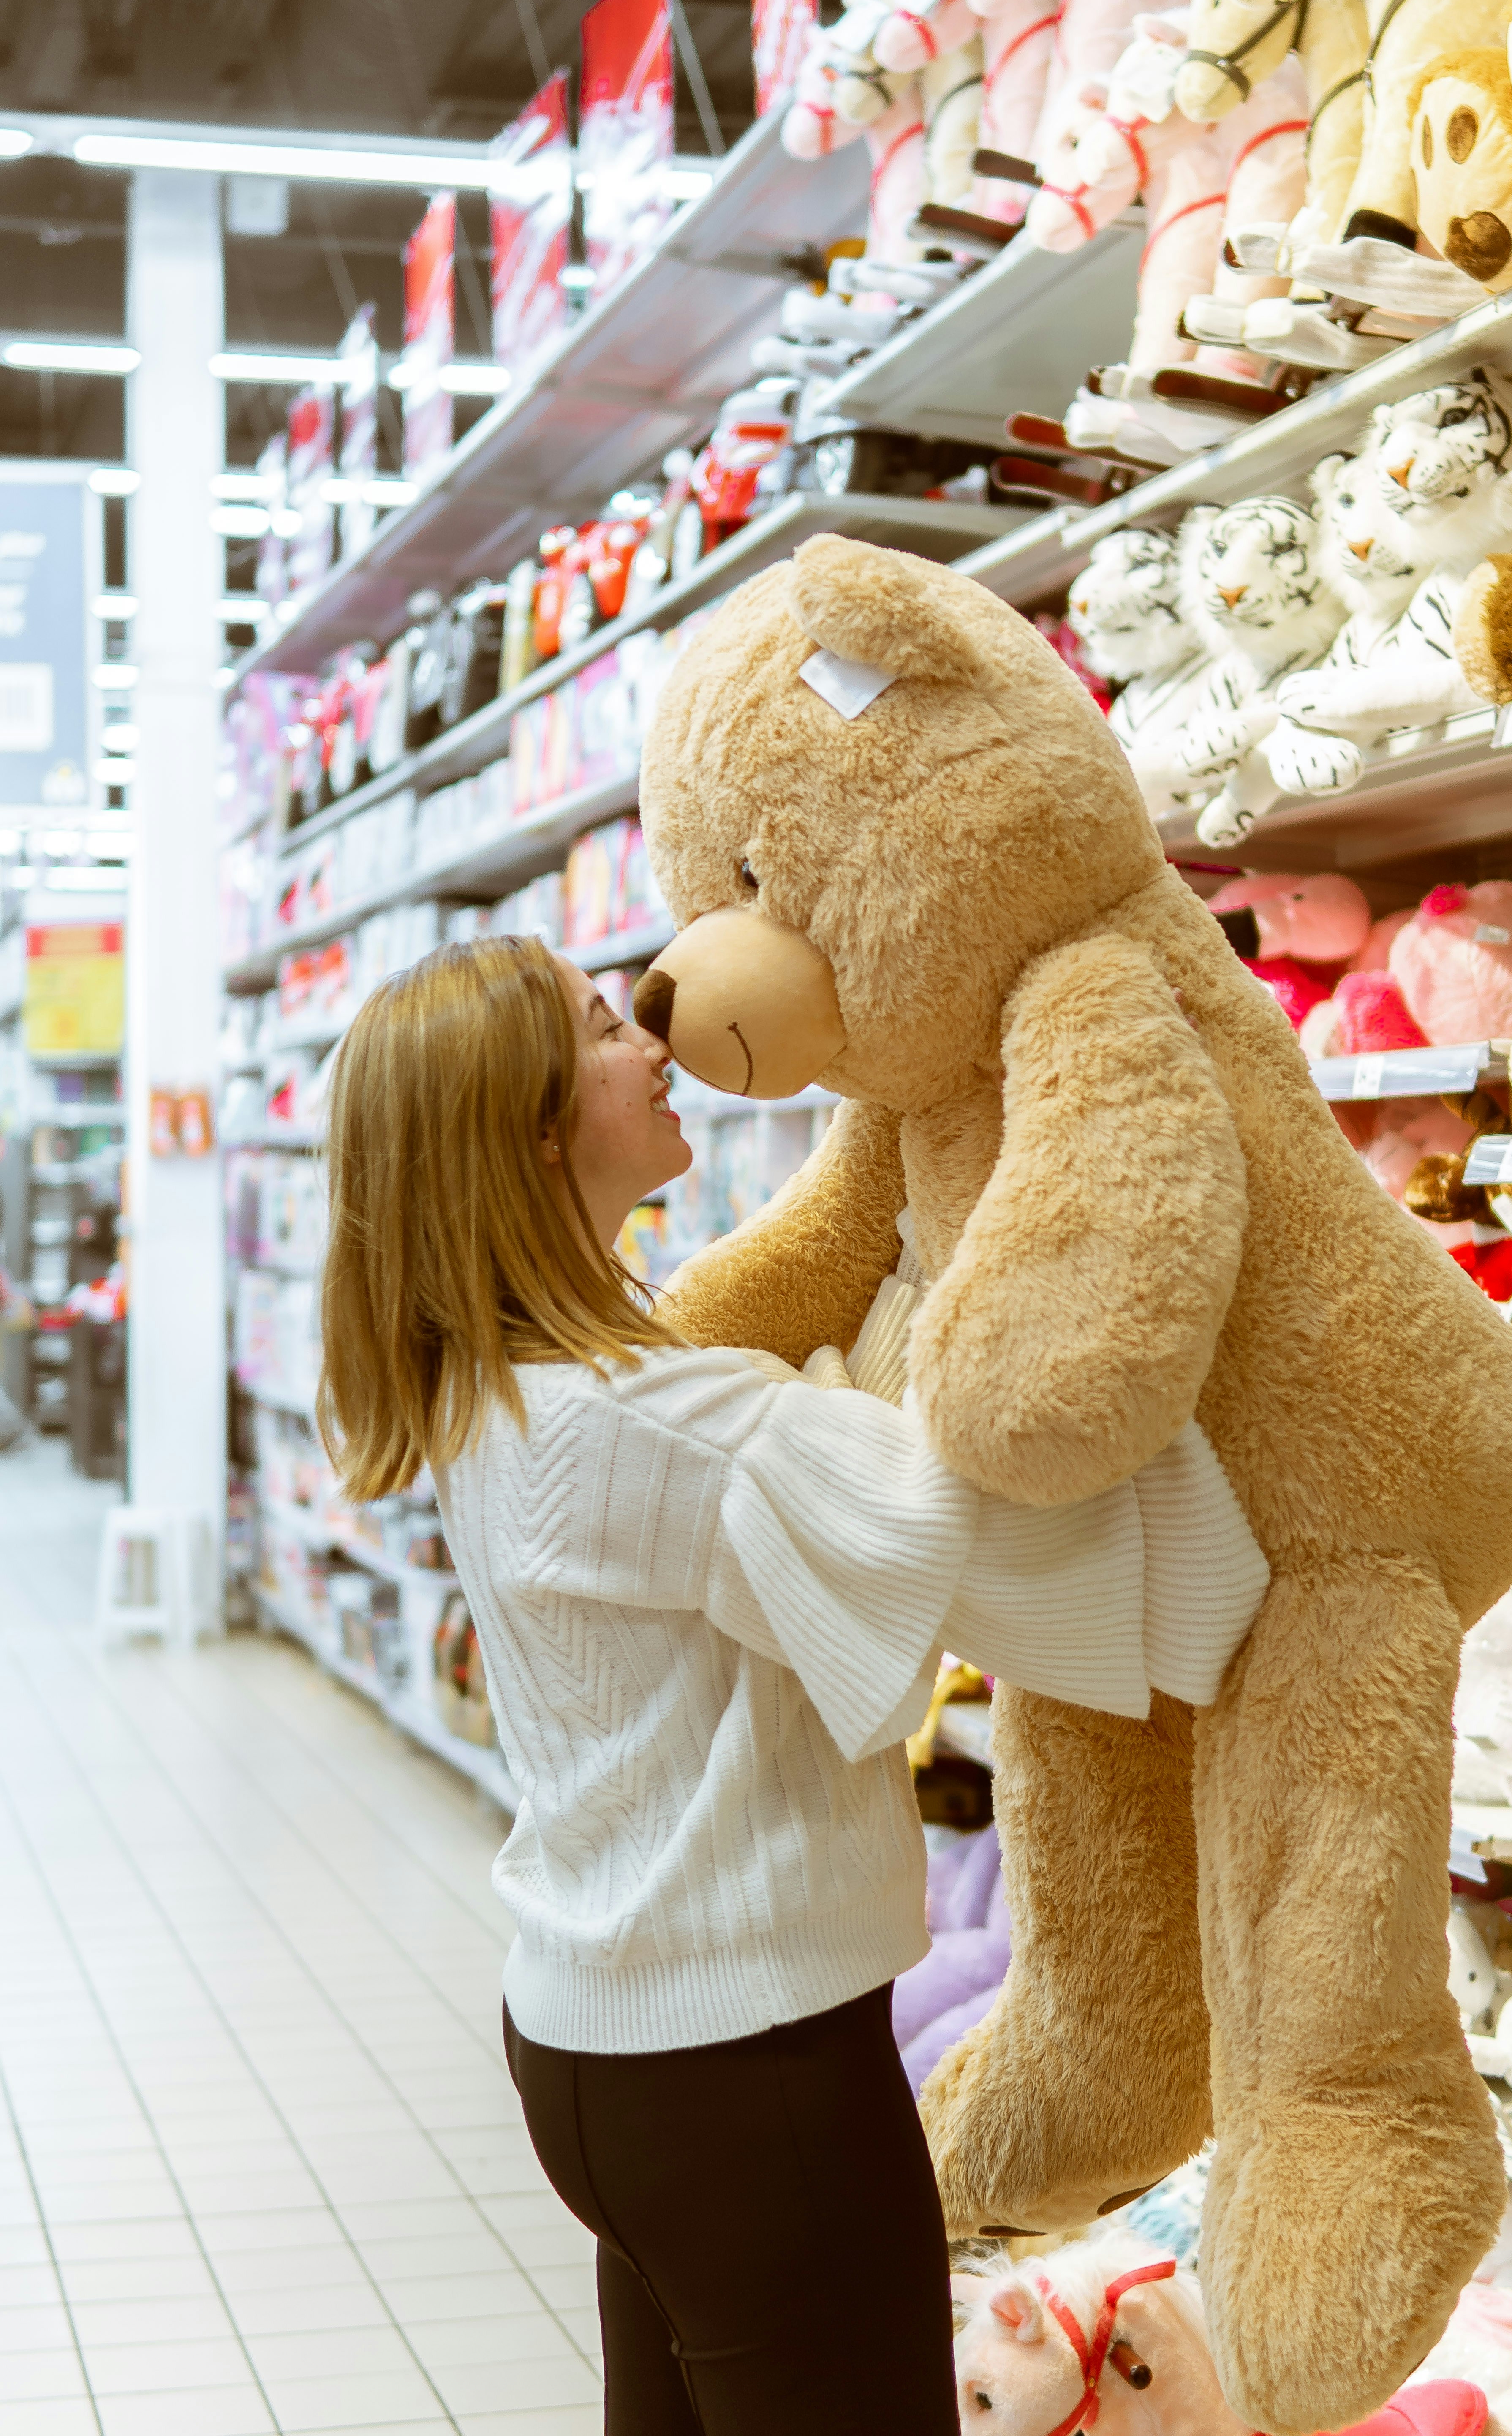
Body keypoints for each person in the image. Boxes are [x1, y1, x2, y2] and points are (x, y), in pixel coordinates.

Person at [316, 933, 1267, 2436]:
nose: (650, 1035)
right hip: (744, 2076)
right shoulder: (651, 1419)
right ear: (540, 1128)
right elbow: (947, 1509)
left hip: (599, 2050)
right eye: (596, 1027)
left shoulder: (502, 1387)